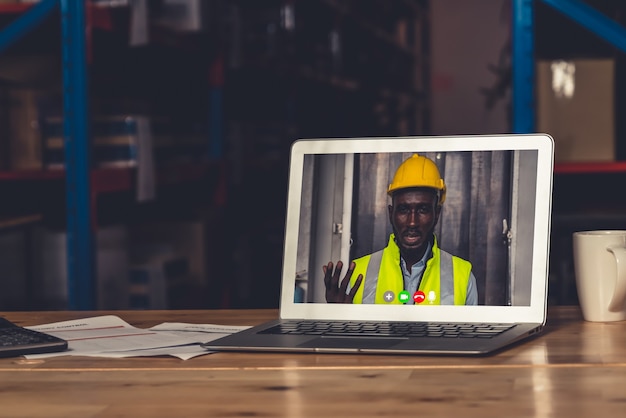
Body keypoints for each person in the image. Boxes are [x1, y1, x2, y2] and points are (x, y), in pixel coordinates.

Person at [323, 153, 478, 305]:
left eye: (423, 210)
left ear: (436, 213)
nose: (412, 222)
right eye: (403, 210)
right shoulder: (358, 274)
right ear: (391, 214)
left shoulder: (462, 276)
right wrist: (337, 317)